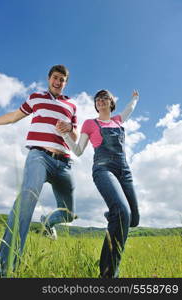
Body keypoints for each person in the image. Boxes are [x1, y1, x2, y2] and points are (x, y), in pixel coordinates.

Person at [0, 64, 78, 278]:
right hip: (39, 156)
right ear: (49, 79)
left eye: (62, 79)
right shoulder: (36, 97)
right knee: (26, 200)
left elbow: (76, 139)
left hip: (64, 163)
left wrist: (70, 129)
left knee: (69, 212)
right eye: (55, 77)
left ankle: (48, 223)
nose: (58, 82)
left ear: (65, 83)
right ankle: (4, 269)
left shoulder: (71, 105)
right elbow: (14, 116)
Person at [56, 89, 140, 278]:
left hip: (124, 171)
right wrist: (64, 135)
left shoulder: (118, 120)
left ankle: (112, 213)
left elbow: (130, 109)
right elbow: (78, 150)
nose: (100, 101)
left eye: (104, 98)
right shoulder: (90, 124)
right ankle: (108, 275)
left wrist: (135, 98)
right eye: (97, 99)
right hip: (103, 169)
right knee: (122, 212)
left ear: (111, 102)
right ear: (96, 104)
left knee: (133, 219)